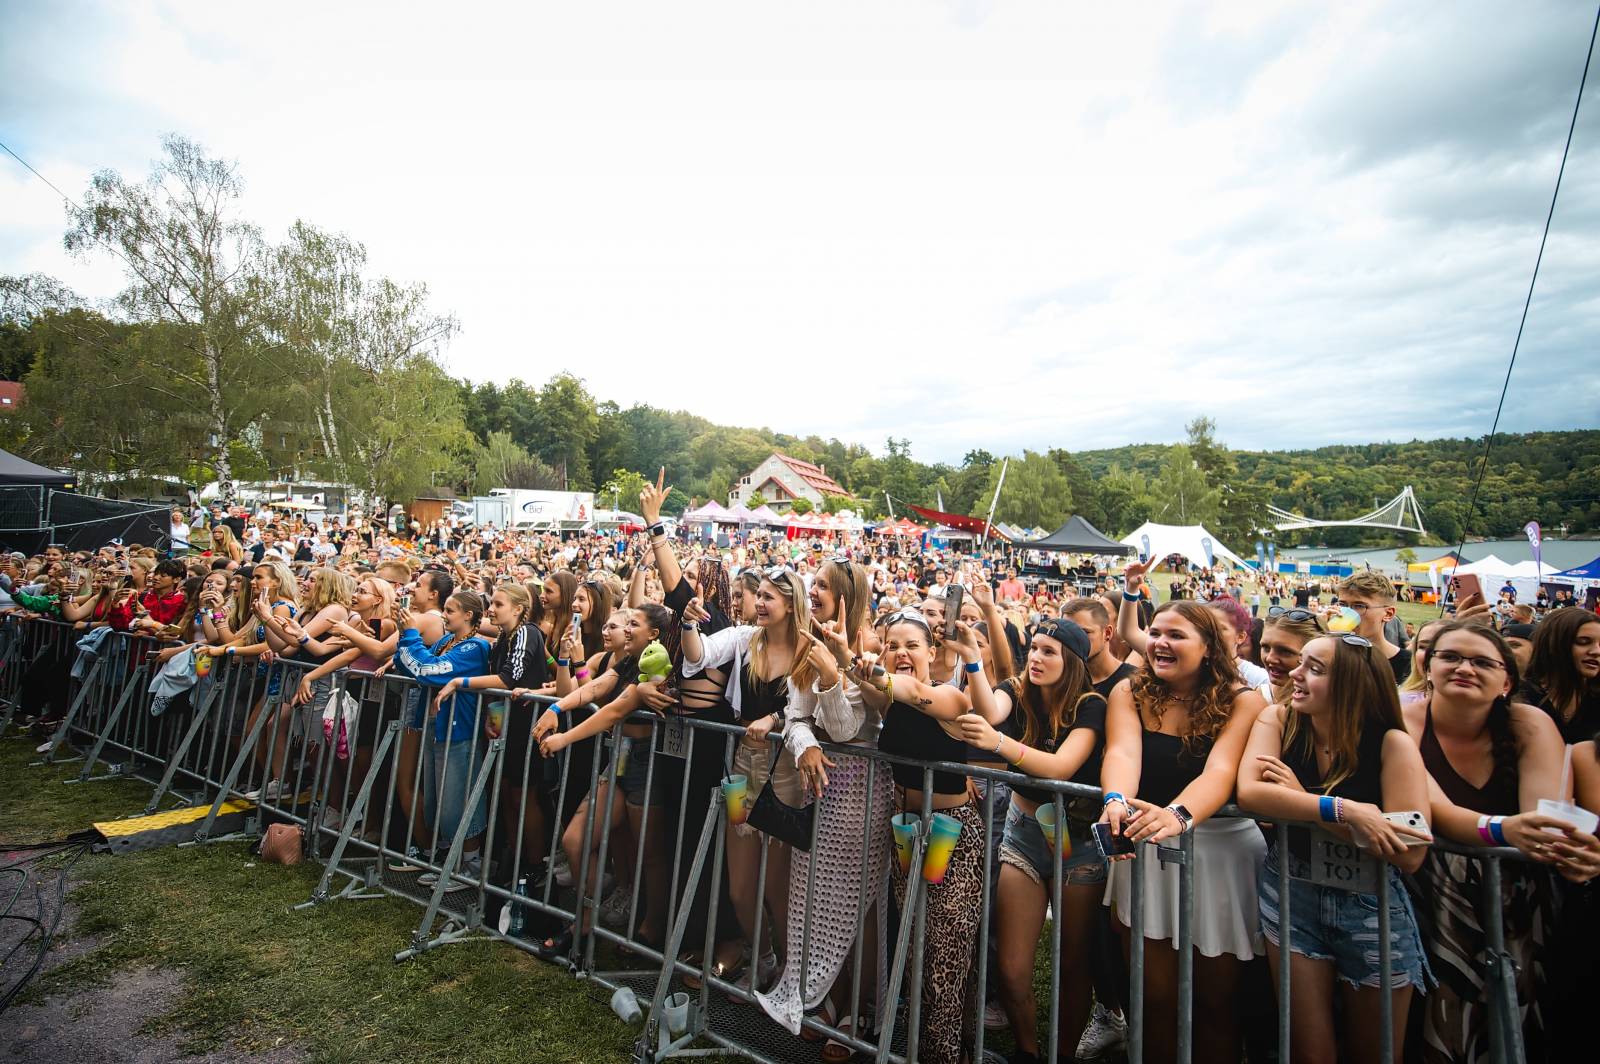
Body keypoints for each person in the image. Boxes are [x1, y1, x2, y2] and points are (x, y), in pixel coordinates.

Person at [1237, 633, 1434, 1064]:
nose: (1295, 674)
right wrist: (1342, 809)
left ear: (1353, 684)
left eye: (1315, 669)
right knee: (1309, 1049)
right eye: (1300, 663)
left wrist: (1300, 803)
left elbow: (1410, 850)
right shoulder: (1279, 720)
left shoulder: (1390, 743)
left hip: (1370, 904)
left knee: (1376, 1050)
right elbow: (1251, 793)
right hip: (1291, 891)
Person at [1398, 621, 1586, 1061]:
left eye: (1482, 662)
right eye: (1451, 657)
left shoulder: (1529, 722)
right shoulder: (1403, 717)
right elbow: (1430, 806)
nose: (1466, 668)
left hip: (1517, 902)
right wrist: (1500, 831)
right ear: (1428, 667)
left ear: (1507, 681)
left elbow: (1546, 818)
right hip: (1432, 900)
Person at [1099, 600, 1266, 1064]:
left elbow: (1222, 769)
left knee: (1216, 1002)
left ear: (1210, 648)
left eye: (1175, 635)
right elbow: (1123, 754)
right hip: (1148, 848)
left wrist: (1179, 815)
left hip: (1219, 857)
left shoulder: (1244, 699)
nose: (1159, 643)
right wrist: (1114, 800)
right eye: (1155, 632)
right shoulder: (1129, 691)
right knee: (1153, 997)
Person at [957, 618, 1108, 1064]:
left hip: (1078, 843)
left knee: (1071, 961)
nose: (1037, 658)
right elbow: (990, 710)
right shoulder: (1018, 689)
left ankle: (1061, 1053)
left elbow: (1062, 767)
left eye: (1050, 652)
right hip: (1024, 834)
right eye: (1035, 648)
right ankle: (1027, 1051)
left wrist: (1002, 744)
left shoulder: (1091, 704)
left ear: (1073, 662)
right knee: (1013, 966)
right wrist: (970, 658)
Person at [680, 567, 827, 993]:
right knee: (742, 888)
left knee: (777, 890)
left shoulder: (807, 650)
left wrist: (776, 717)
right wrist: (690, 621)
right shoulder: (745, 639)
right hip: (743, 765)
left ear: (789, 604)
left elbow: (809, 708)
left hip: (787, 772)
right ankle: (759, 958)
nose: (759, 603)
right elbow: (697, 656)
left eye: (768, 598)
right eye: (757, 595)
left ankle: (786, 972)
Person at [849, 609, 979, 1064]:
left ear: (932, 652)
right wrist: (846, 655)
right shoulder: (890, 700)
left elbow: (913, 689)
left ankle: (945, 1054)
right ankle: (926, 1044)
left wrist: (879, 671)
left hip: (952, 835)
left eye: (912, 645)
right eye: (892, 644)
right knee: (915, 940)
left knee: (943, 952)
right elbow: (870, 683)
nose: (901, 653)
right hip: (907, 830)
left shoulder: (948, 698)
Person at [395, 590, 492, 883]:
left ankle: (469, 869)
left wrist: (411, 635)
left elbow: (426, 670)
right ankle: (449, 864)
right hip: (436, 730)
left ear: (469, 616)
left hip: (459, 733)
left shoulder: (474, 647)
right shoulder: (446, 641)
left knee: (458, 805)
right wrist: (404, 635)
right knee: (438, 805)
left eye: (450, 611)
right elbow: (407, 666)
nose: (443, 616)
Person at [1517, 608, 1600, 744]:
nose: (1596, 651)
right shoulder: (1520, 695)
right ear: (1553, 642)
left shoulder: (1596, 699)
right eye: (1583, 641)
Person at [1335, 572, 1409, 684]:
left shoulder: (1408, 665)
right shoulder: (1332, 656)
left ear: (1388, 614)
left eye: (1359, 606)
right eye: (1342, 605)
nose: (1347, 614)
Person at [1258, 606, 1324, 705]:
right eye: (1266, 647)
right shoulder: (1259, 698)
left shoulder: (1331, 708)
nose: (1270, 658)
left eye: (1284, 651)